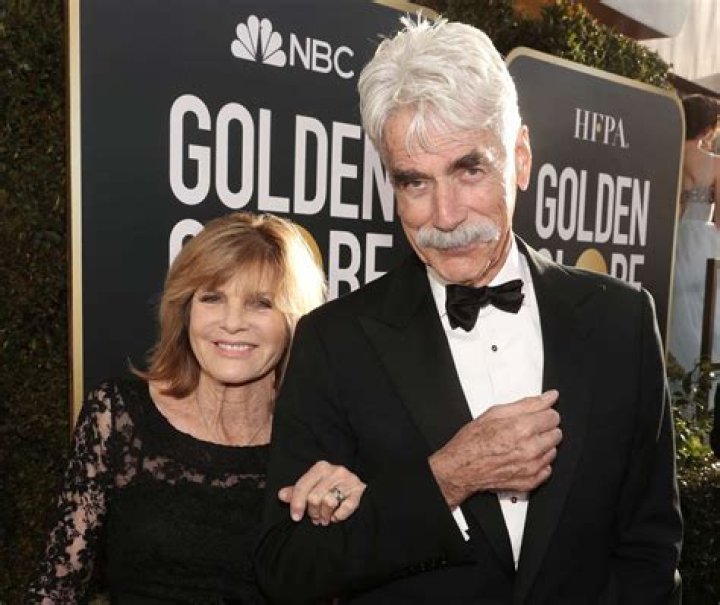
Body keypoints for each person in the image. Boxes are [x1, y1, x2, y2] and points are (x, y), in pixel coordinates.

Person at [255, 17, 682, 604]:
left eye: (470, 170)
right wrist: (449, 478)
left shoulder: (621, 321)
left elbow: (650, 551)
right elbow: (288, 567)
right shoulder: (335, 341)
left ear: (521, 158)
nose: (446, 215)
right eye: (414, 183)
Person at [26, 212, 365, 604]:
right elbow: (55, 590)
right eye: (212, 298)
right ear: (185, 310)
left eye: (260, 303)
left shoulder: (322, 443)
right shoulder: (118, 416)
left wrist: (354, 516)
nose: (232, 323)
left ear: (295, 321)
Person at [668, 94, 720, 372]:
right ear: (708, 128)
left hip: (669, 240)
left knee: (674, 312)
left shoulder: (667, 153)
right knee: (706, 316)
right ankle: (702, 383)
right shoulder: (714, 163)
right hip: (703, 247)